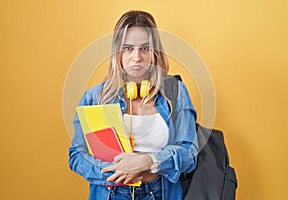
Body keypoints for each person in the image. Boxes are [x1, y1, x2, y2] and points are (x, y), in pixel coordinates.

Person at [69, 10, 198, 200]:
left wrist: (149, 161)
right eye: (128, 48)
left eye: (145, 48)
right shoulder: (95, 97)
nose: (137, 57)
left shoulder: (175, 92)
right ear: (117, 53)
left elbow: (190, 152)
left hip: (160, 193)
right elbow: (77, 156)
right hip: (110, 193)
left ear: (155, 53)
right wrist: (118, 172)